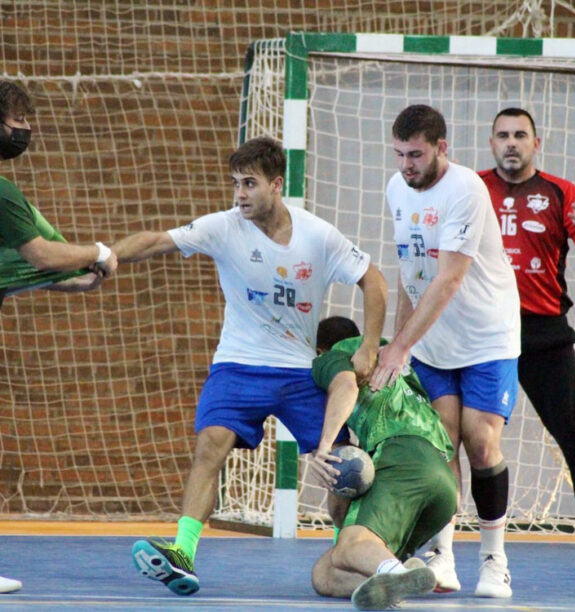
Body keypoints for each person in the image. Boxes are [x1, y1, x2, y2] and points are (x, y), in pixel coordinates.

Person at [112, 136, 388, 596]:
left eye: (249, 184)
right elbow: (159, 240)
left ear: (277, 184)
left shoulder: (318, 236)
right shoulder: (222, 227)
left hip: (300, 371)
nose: (239, 194)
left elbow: (374, 280)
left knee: (342, 465)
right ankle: (183, 552)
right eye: (235, 183)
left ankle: (347, 555)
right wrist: (108, 256)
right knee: (209, 445)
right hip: (238, 365)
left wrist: (370, 349)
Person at [370, 104, 521, 598]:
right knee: (442, 444)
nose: (406, 164)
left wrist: (398, 349)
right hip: (433, 343)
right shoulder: (397, 189)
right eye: (399, 154)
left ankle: (495, 559)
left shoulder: (466, 191)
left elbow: (449, 278)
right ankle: (443, 555)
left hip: (485, 336)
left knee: (480, 442)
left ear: (441, 148)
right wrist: (395, 343)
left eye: (415, 154)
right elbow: (408, 271)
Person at [0, 81, 118, 593]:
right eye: (16, 118)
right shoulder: (3, 193)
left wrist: (76, 279)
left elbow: (15, 269)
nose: (25, 129)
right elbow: (43, 255)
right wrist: (97, 251)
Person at [480, 107, 575, 551]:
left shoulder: (561, 192)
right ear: (492, 143)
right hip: (481, 331)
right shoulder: (473, 188)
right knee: (455, 430)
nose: (511, 142)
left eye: (520, 134)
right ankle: (433, 531)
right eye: (503, 135)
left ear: (537, 143)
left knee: (574, 429)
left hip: (543, 334)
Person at [309, 316, 456, 610]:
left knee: (350, 546)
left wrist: (324, 448)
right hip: (444, 482)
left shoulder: (334, 358)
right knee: (325, 573)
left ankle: (396, 573)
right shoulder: (392, 358)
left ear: (319, 350)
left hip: (401, 457)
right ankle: (398, 577)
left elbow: (346, 388)